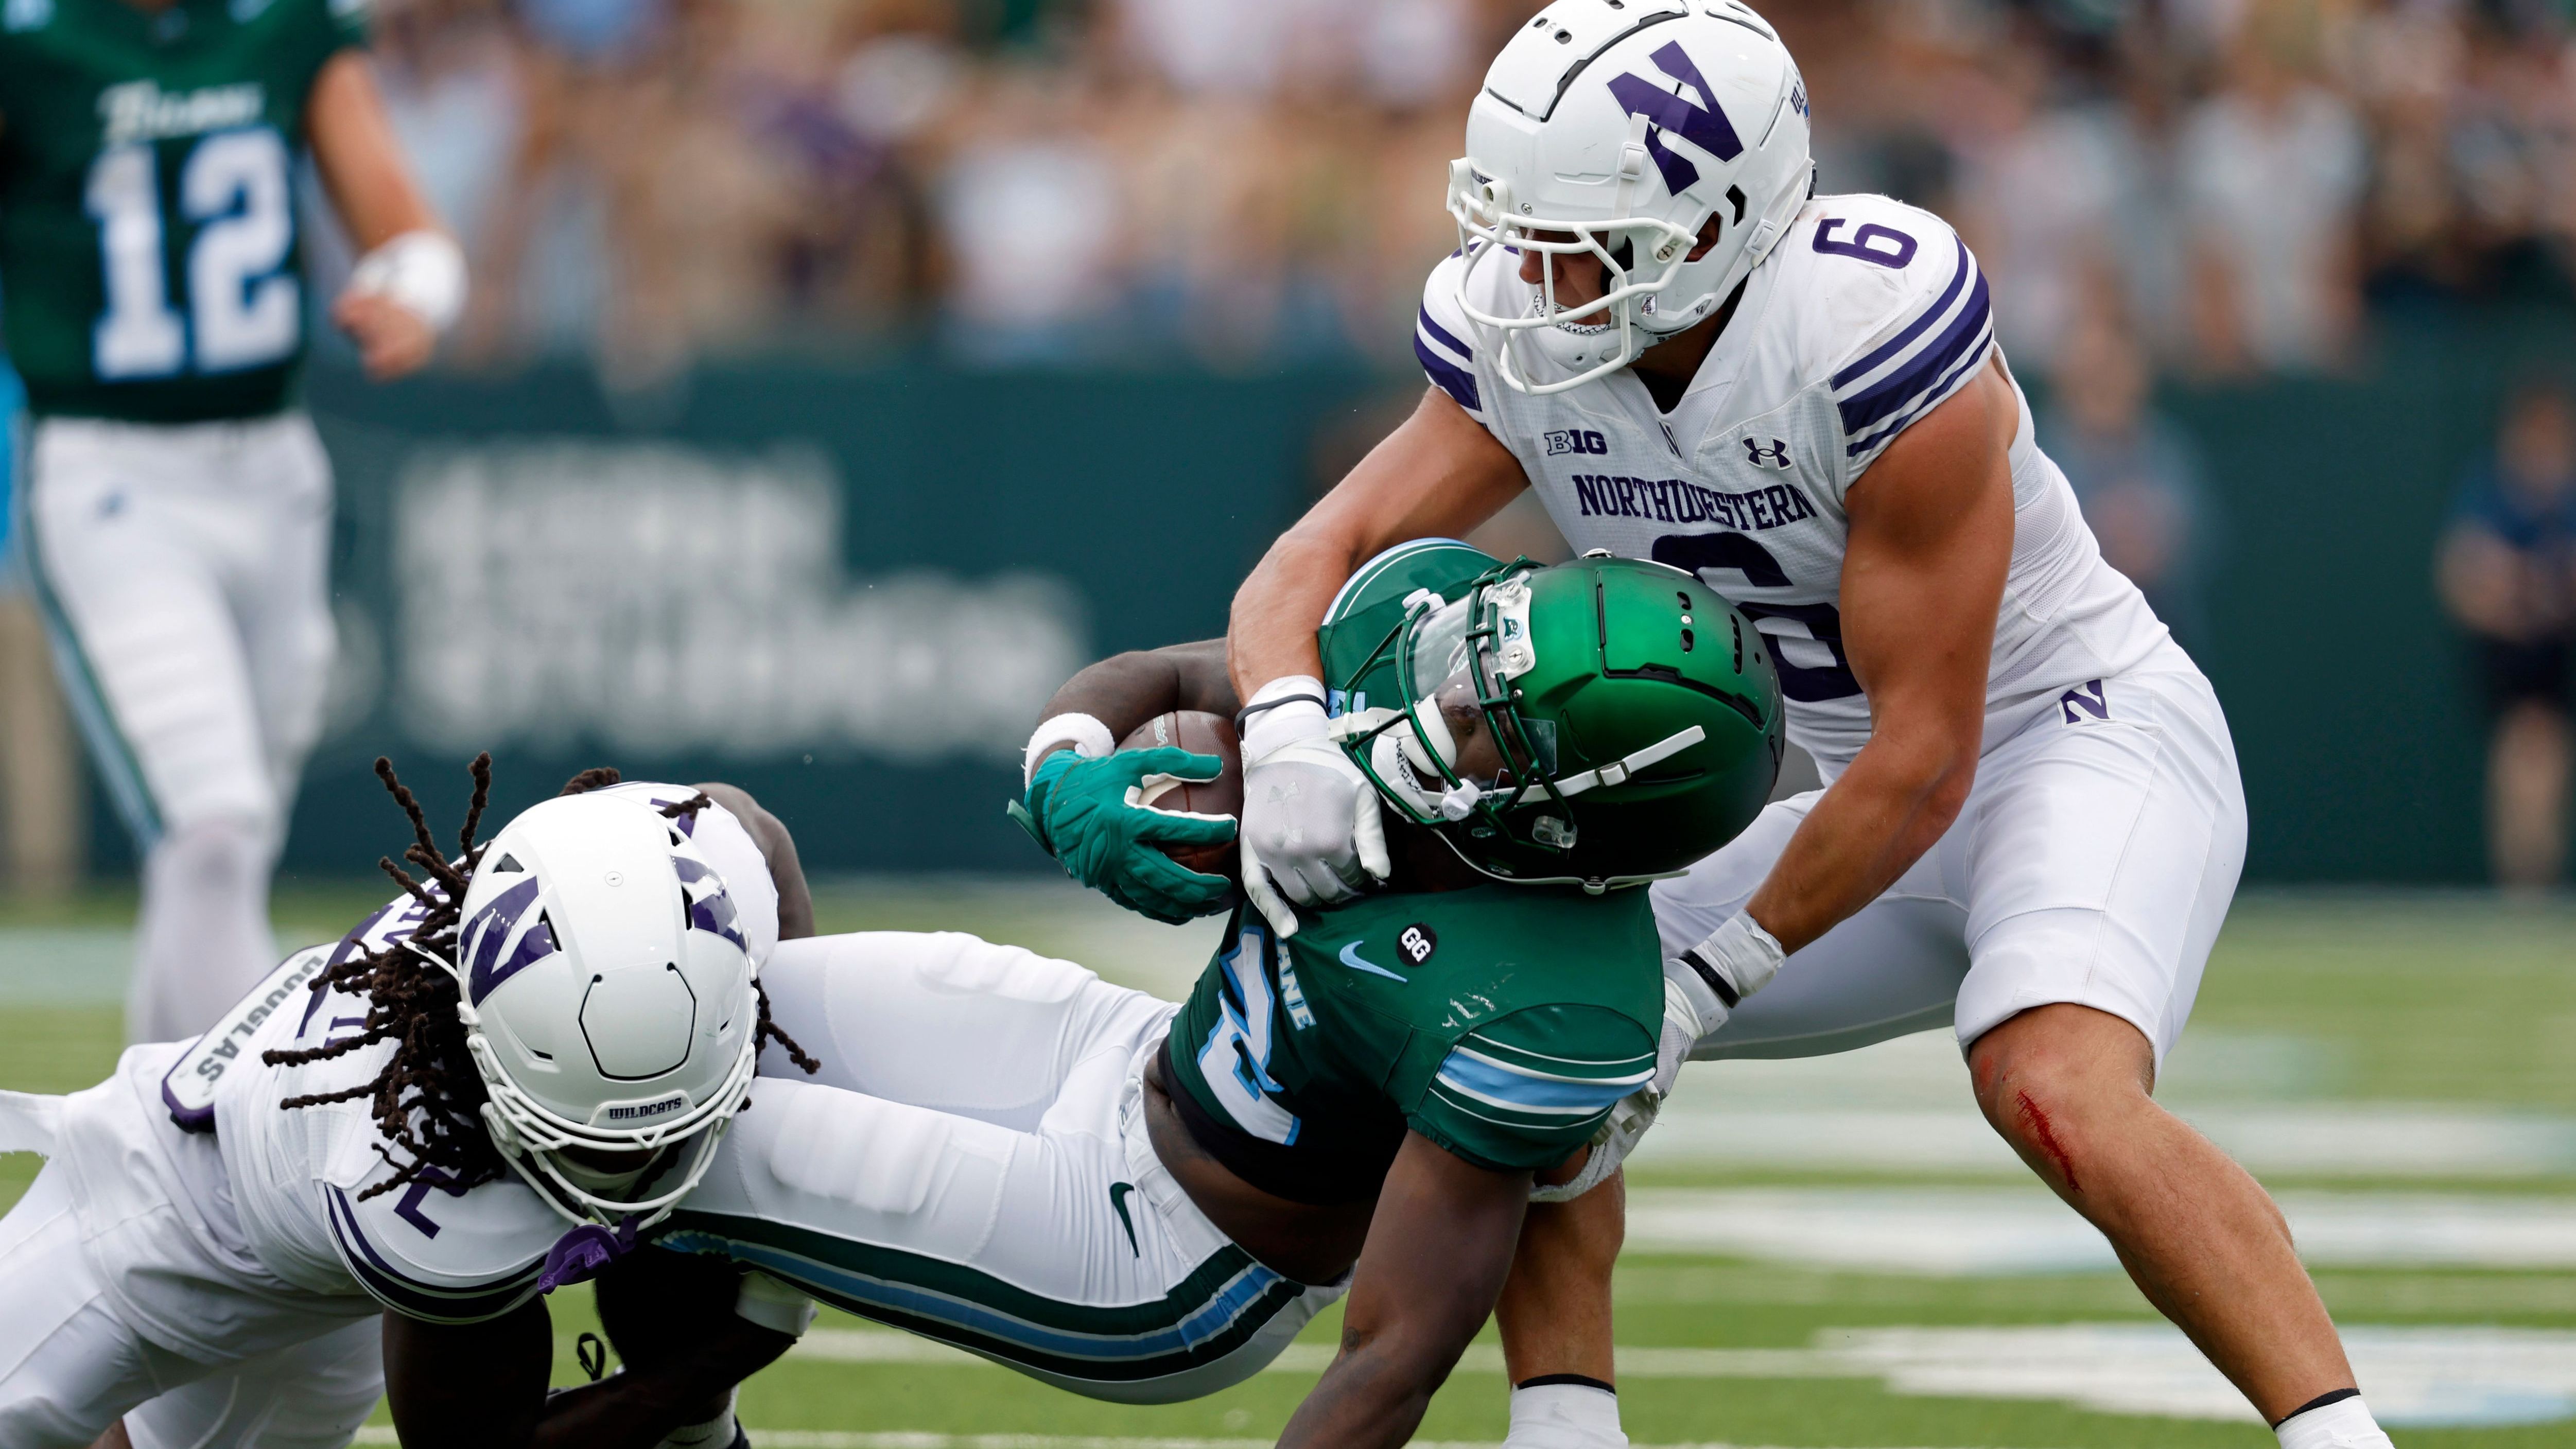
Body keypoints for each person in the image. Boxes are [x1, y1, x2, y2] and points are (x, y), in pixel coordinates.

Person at [1220, 4, 2395, 1447]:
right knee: (1536, 1008)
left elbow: (1927, 757)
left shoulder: (1865, 337)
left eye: (1574, 239)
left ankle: (2338, 1433)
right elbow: (1310, 557)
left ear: (1709, 231)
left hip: (2070, 740)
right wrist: (1281, 727)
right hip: (1858, 785)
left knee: (2049, 1082)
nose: (1527, 273)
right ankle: (1565, 1426)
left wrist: (1704, 982)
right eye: (1518, 228)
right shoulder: (1538, 338)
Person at [628, 545, 1783, 1449]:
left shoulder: (1547, 1011)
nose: (1435, 706)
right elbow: (1183, 673)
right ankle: (697, 1403)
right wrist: (1064, 759)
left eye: (1489, 727)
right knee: (694, 1008)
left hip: (1167, 1255)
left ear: (1566, 821)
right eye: (1466, 665)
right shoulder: (1427, 630)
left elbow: (1390, 1362)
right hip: (1123, 1055)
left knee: (642, 1126)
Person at [0, 763, 811, 1449]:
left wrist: (800, 1068)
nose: (635, 1171)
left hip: (319, 1239)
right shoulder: (414, 1169)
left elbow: (755, 831)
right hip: (159, 1213)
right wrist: (739, 1341)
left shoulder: (689, 860)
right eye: (591, 1142)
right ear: (488, 1060)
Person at [0, 0, 468, 1044]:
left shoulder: (282, 26)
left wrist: (412, 292)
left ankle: (150, 1133)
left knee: (219, 849)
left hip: (275, 477)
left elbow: (409, 231)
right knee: (213, 821)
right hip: (109, 473)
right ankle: (253, 1132)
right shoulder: (30, 43)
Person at [2436, 382, 2576, 889]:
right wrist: (2520, 588)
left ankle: (2533, 875)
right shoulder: (2489, 486)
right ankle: (2524, 877)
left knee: (2544, 757)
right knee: (2522, 754)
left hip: (2554, 656)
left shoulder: (2566, 494)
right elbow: (2462, 576)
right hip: (2507, 658)